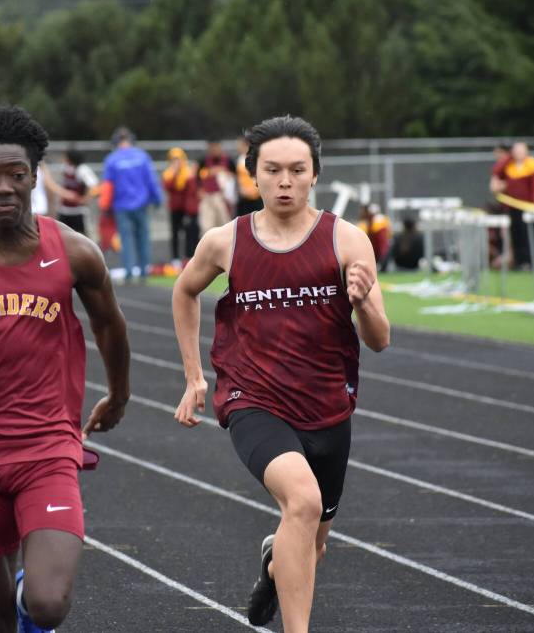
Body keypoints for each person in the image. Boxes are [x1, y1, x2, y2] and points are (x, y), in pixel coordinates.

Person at [172, 115, 390, 633]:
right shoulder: (226, 241)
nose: (284, 181)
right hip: (254, 400)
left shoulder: (347, 241)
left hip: (328, 405)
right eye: (272, 170)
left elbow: (380, 339)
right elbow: (184, 292)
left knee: (311, 541)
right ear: (254, 175)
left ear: (315, 174)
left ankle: (275, 563)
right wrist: (194, 376)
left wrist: (362, 304)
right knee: (303, 500)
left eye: (297, 169)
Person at [0, 102, 130, 633]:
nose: (4, 187)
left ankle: (27, 597)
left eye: (17, 175)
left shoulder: (76, 253)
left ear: (36, 176)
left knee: (47, 604)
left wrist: (119, 395)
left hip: (49, 447)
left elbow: (110, 326)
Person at [102, 127, 163, 280]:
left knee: (126, 239)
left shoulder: (112, 159)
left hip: (122, 206)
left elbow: (108, 186)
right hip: (141, 204)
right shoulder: (142, 156)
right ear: (131, 140)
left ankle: (129, 272)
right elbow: (151, 181)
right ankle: (144, 271)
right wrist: (157, 199)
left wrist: (105, 206)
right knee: (143, 237)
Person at [495, 141, 534, 269]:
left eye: (521, 150)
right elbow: (496, 171)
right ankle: (519, 262)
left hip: (528, 207)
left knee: (528, 234)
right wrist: (508, 158)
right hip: (512, 207)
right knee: (516, 235)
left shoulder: (532, 165)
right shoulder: (510, 165)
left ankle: (531, 262)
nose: (519, 153)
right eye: (516, 151)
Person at [162, 147, 200, 266]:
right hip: (175, 209)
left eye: (178, 159)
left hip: (187, 209)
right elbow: (167, 187)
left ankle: (189, 257)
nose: (176, 162)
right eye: (173, 160)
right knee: (175, 233)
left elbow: (192, 191)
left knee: (190, 233)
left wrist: (190, 210)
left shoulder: (188, 173)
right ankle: (175, 258)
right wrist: (174, 174)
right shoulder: (168, 173)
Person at [55, 150, 99, 235]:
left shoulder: (82, 169)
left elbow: (94, 186)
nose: (63, 159)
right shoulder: (65, 168)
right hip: (64, 210)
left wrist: (85, 199)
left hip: (78, 211)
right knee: (63, 236)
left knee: (82, 237)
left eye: (65, 157)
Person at [197, 140, 233, 233]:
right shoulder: (203, 161)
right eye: (212, 148)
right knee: (206, 227)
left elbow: (234, 176)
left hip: (222, 197)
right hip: (208, 196)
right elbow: (198, 177)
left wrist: (224, 172)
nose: (214, 150)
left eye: (216, 147)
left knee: (224, 224)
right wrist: (209, 172)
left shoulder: (228, 160)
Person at [356, 203, 391, 270]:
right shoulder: (365, 223)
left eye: (363, 211)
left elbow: (382, 243)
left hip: (379, 255)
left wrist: (382, 259)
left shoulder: (378, 223)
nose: (360, 213)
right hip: (373, 254)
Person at [235, 135, 263, 216]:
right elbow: (238, 177)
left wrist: (255, 190)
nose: (238, 148)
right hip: (243, 196)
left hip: (255, 195)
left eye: (240, 145)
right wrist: (240, 189)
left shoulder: (256, 159)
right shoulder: (239, 159)